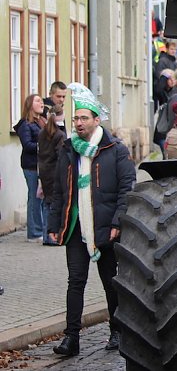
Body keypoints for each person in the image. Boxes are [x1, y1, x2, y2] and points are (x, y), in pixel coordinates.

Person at [48, 87, 134, 356]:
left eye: (84, 118)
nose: (79, 123)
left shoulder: (115, 149)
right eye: (76, 119)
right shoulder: (68, 149)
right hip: (75, 226)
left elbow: (126, 190)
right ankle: (71, 338)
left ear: (97, 120)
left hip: (105, 227)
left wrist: (118, 223)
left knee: (111, 282)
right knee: (75, 281)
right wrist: (53, 225)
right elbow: (59, 190)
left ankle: (117, 331)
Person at [14, 94, 46, 243]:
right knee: (34, 197)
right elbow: (27, 145)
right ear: (30, 105)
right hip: (31, 165)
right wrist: (44, 146)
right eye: (38, 101)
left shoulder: (41, 122)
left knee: (40, 197)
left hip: (41, 165)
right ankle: (34, 232)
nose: (42, 103)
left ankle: (40, 229)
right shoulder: (25, 124)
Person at [38, 104, 66, 245]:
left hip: (44, 171)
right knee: (53, 204)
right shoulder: (60, 135)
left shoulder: (43, 132)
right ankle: (51, 236)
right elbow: (61, 156)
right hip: (54, 172)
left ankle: (45, 236)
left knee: (45, 203)